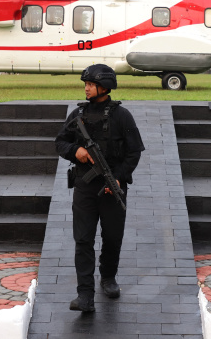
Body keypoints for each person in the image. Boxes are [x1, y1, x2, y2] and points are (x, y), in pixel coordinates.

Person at [55, 64, 144, 312]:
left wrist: (118, 177)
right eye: (85, 84)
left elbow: (134, 151)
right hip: (84, 186)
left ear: (104, 87)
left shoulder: (122, 116)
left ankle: (108, 277)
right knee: (83, 240)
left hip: (113, 187)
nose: (86, 88)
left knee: (112, 237)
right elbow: (60, 142)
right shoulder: (78, 115)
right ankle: (85, 295)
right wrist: (77, 151)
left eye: (90, 84)